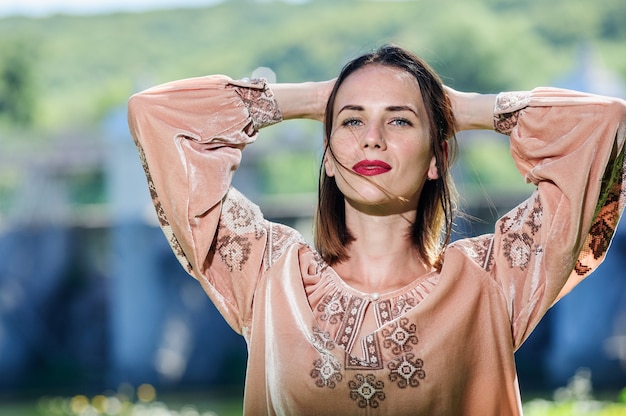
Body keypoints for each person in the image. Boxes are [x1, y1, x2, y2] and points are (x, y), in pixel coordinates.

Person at [127, 44, 626, 415]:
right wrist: (318, 97)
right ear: (326, 156)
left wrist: (460, 109)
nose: (371, 139)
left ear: (437, 159)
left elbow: (604, 124)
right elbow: (156, 117)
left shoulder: (494, 281)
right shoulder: (268, 275)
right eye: (350, 122)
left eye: (400, 122)